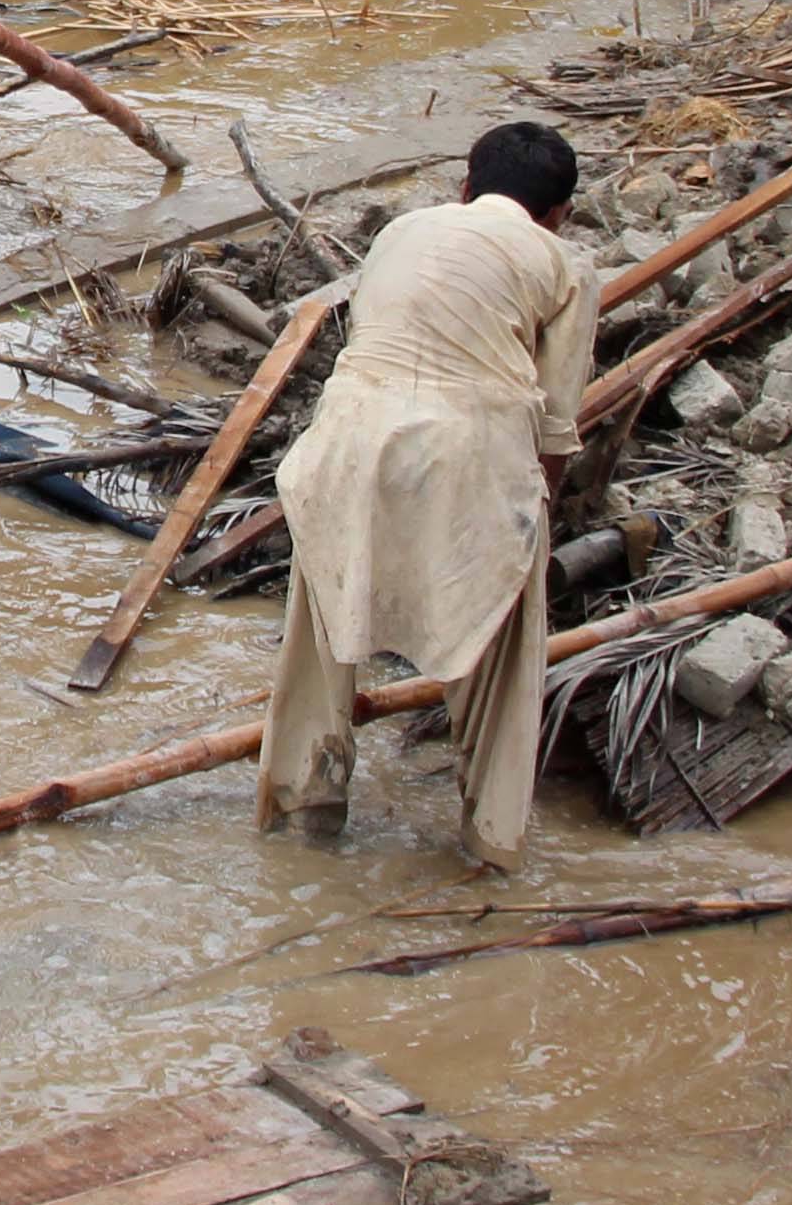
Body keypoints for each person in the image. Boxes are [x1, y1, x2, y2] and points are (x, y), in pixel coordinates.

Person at [254, 122, 596, 865]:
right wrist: (537, 519)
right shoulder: (565, 264)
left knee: (320, 645)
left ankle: (301, 817)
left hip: (345, 446)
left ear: (466, 189)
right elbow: (556, 421)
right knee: (498, 660)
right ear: (560, 213)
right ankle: (489, 845)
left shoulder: (403, 230)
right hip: (468, 452)